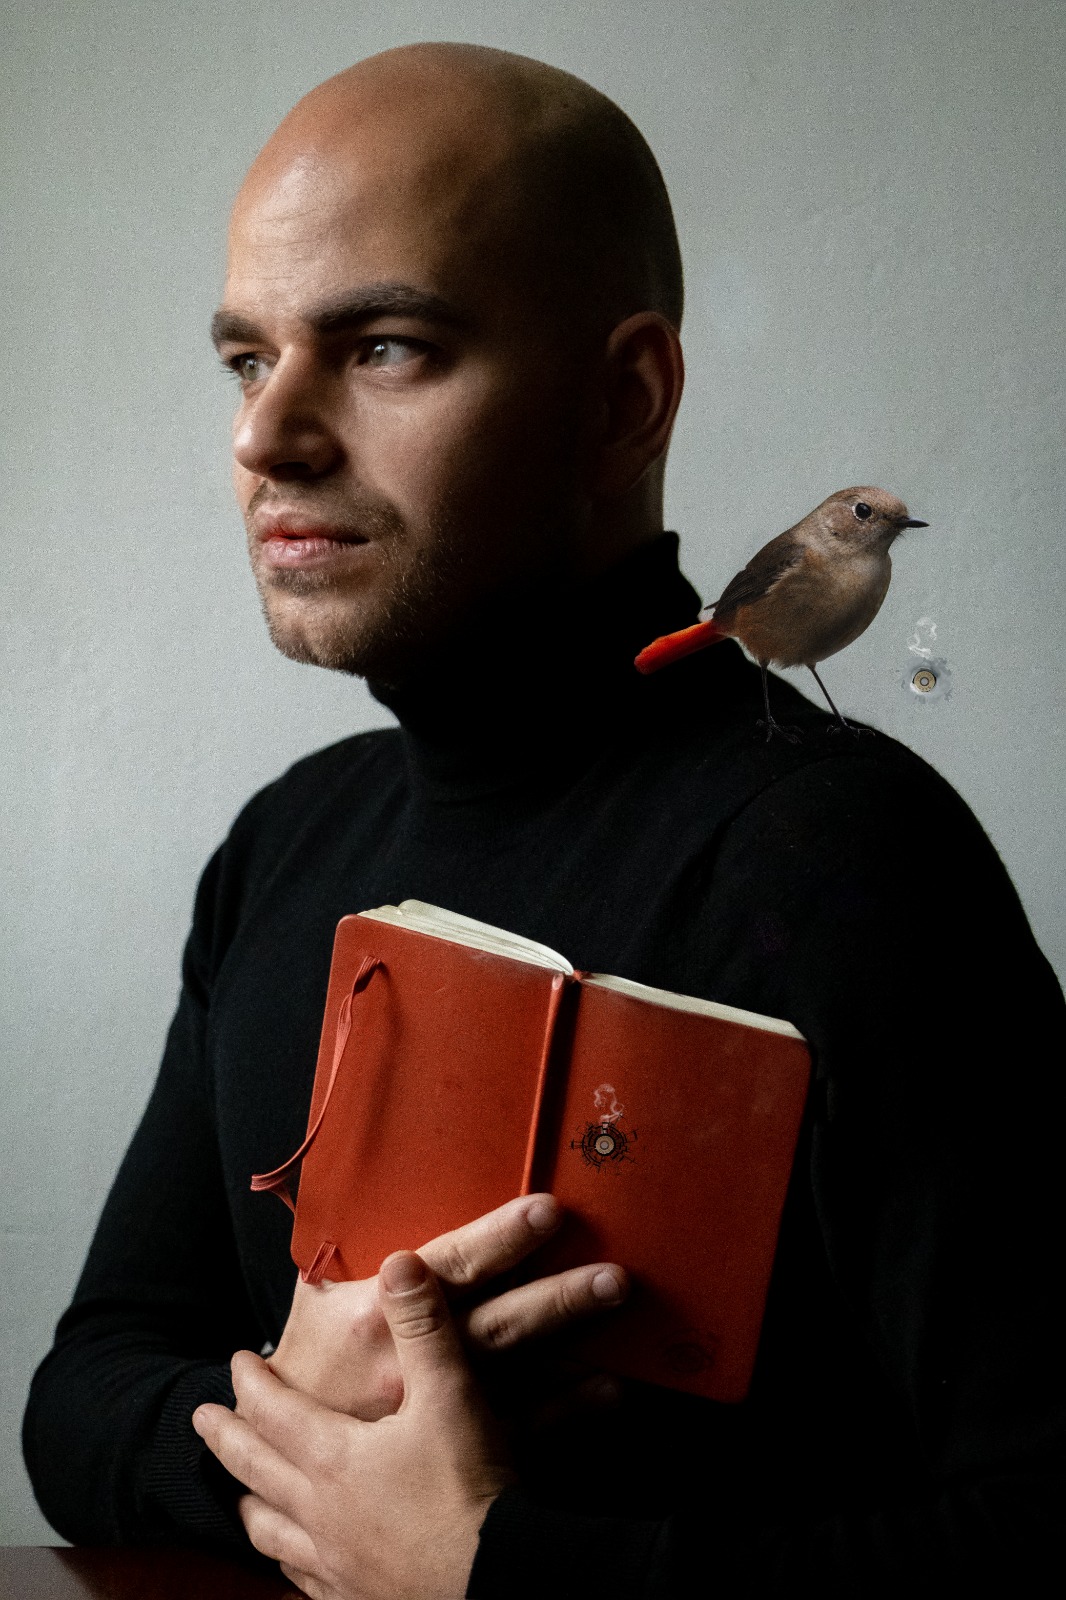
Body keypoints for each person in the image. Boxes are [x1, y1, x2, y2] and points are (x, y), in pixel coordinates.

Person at [24, 42, 1065, 1599]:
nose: (266, 435)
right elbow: (85, 1391)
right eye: (247, 359)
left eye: (382, 347)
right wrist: (291, 1423)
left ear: (622, 398)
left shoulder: (844, 856)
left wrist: (488, 1569)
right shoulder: (284, 842)